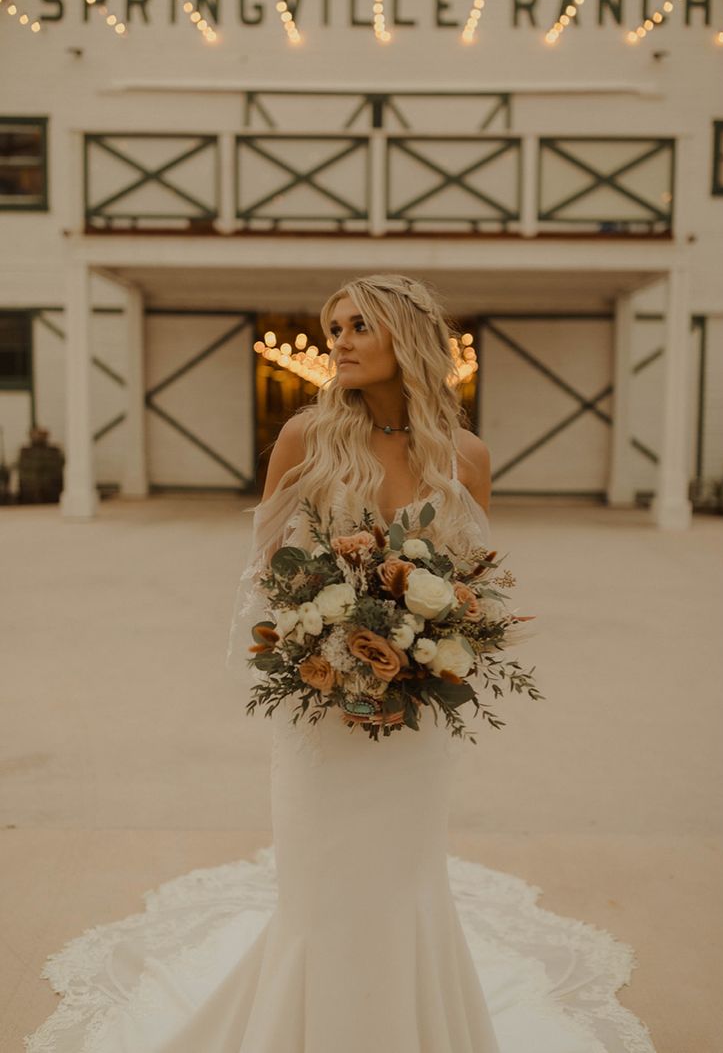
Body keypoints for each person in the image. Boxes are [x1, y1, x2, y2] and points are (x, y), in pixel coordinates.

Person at [24, 274, 657, 1053]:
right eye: (335, 328)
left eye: (360, 325)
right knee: (321, 886)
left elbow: (474, 585)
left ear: (407, 337)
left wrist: (433, 652)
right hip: (320, 706)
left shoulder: (467, 455)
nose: (342, 341)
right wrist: (311, 653)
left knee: (402, 879)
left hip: (418, 709)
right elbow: (264, 575)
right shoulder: (305, 439)